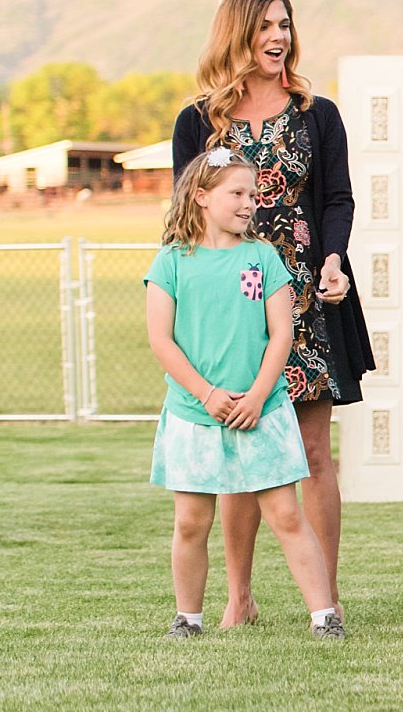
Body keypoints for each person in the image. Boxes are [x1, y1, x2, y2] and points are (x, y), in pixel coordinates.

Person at [172, 0, 371, 626]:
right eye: (264, 27)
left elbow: (337, 198)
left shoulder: (319, 114)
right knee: (239, 441)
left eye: (285, 24)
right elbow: (182, 217)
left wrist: (333, 259)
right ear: (237, 35)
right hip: (229, 308)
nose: (278, 36)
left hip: (310, 295)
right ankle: (239, 599)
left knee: (313, 450)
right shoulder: (198, 122)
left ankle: (327, 600)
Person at [144, 148, 343, 639]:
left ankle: (324, 616)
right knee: (191, 521)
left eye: (253, 194)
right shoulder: (170, 262)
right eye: (237, 193)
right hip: (194, 413)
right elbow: (161, 340)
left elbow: (280, 334)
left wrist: (256, 396)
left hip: (264, 410)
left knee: (285, 514)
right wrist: (207, 393)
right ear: (201, 195)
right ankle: (188, 618)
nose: (249, 203)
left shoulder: (262, 257)